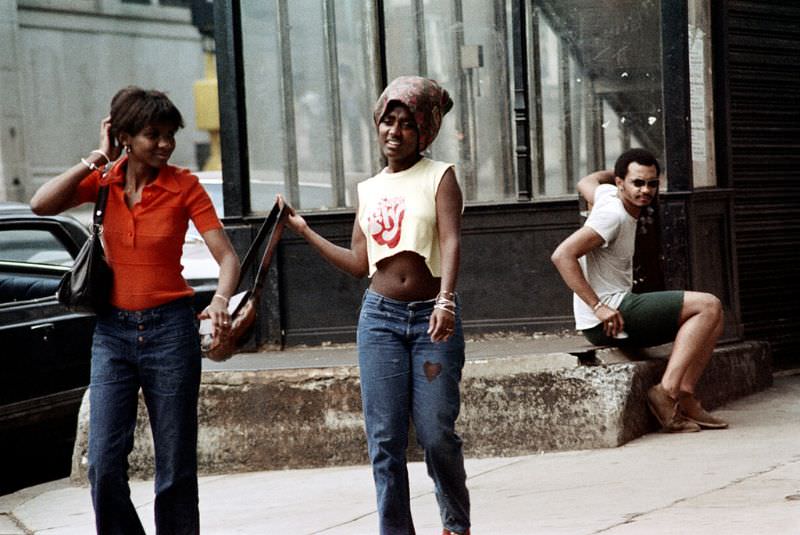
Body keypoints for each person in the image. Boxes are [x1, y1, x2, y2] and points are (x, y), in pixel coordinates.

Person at [30, 86, 240, 534]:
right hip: (112, 333)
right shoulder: (102, 180)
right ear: (124, 135)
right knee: (103, 464)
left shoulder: (185, 186)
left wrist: (220, 301)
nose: (165, 143)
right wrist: (96, 157)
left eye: (170, 134)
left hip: (171, 331)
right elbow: (40, 203)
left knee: (175, 466)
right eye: (153, 134)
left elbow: (228, 258)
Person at [279, 76, 470, 535]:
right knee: (384, 441)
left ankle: (456, 524)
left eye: (406, 124)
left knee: (435, 432)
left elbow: (452, 239)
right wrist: (304, 231)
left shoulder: (439, 176)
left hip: (432, 317)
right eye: (388, 120)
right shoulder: (368, 189)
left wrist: (445, 299)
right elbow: (359, 262)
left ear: (423, 131)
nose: (394, 131)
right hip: (380, 319)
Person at [550, 148, 728, 433]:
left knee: (715, 315)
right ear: (621, 183)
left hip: (617, 308)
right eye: (637, 183)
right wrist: (598, 306)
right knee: (708, 305)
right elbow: (562, 255)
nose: (645, 190)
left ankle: (684, 394)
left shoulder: (606, 195)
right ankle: (666, 392)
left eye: (652, 183)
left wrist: (620, 172)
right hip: (608, 316)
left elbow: (587, 180)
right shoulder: (612, 216)